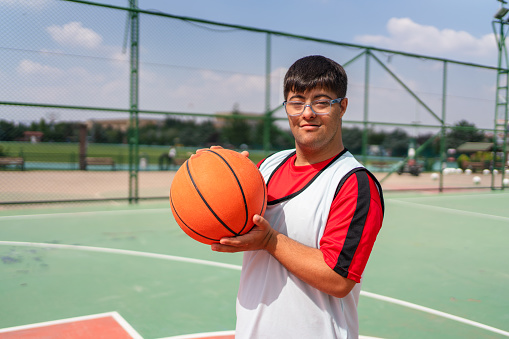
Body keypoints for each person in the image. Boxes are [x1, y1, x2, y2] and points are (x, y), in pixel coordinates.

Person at [211, 55, 384, 338]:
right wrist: (216, 175)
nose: (308, 113)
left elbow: (338, 278)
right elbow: (229, 223)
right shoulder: (267, 167)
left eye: (321, 101)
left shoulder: (353, 183)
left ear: (342, 107)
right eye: (297, 101)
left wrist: (270, 241)